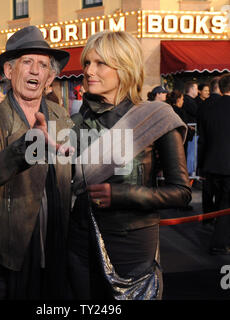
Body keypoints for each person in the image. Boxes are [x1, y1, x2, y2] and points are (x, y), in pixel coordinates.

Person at [68, 30, 192, 300]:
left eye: (100, 63)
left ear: (124, 68)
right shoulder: (78, 120)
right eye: (87, 63)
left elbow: (181, 192)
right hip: (80, 239)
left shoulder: (156, 117)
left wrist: (124, 195)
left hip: (131, 244)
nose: (89, 70)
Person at [0, 25, 73, 299]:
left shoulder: (62, 116)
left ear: (50, 77)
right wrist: (28, 144)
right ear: (9, 71)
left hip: (54, 250)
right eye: (27, 62)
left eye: (43, 65)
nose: (36, 71)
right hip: (3, 256)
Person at [198, 73, 230, 255]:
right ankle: (219, 241)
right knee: (225, 203)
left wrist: (201, 166)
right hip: (226, 165)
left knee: (221, 202)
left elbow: (202, 140)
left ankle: (220, 237)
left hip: (212, 164)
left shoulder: (208, 107)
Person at [197, 77, 222, 222]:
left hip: (206, 152)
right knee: (219, 191)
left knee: (207, 190)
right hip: (219, 154)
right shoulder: (220, 105)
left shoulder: (203, 105)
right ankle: (218, 216)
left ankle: (207, 216)